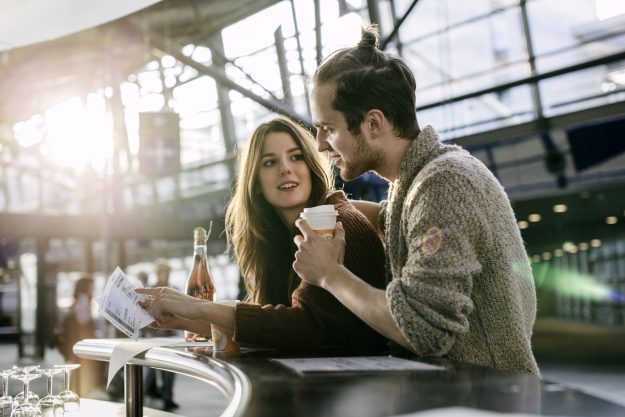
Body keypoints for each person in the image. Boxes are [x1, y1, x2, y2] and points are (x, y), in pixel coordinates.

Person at [292, 25, 540, 376]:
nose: (319, 144)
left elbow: (424, 330)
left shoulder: (446, 184)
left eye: (328, 128)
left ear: (373, 123)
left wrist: (329, 274)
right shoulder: (412, 185)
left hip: (485, 403)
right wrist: (363, 215)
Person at [137, 116, 387, 353]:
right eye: (270, 162)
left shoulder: (335, 223)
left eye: (296, 157)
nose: (285, 169)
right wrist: (179, 319)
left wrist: (196, 306)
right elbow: (270, 324)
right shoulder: (282, 239)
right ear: (255, 183)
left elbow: (304, 328)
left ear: (311, 166)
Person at [55, 274, 105, 397]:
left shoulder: (78, 301)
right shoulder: (83, 302)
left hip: (74, 343)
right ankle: (77, 395)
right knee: (82, 370)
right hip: (80, 343)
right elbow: (84, 324)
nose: (92, 290)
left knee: (77, 371)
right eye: (91, 287)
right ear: (85, 288)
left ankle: (73, 393)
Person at [143, 260, 179, 412]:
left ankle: (167, 398)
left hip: (168, 336)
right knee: (150, 369)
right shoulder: (151, 290)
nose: (166, 275)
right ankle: (142, 396)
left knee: (169, 369)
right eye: (164, 272)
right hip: (153, 336)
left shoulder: (173, 290)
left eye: (167, 272)